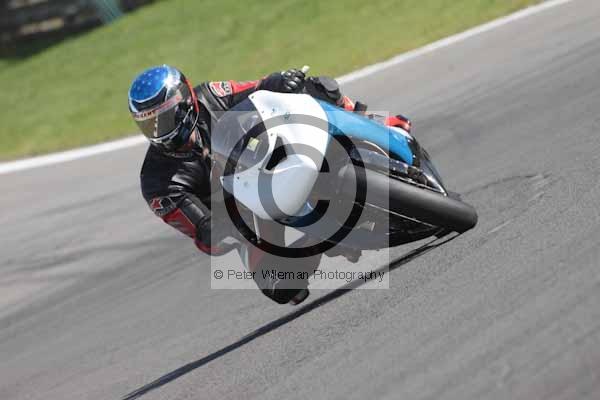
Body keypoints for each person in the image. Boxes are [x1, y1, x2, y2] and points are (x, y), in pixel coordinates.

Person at [129, 65, 411, 305]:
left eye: (164, 118)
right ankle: (326, 239)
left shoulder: (211, 95)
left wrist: (281, 80)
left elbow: (259, 87)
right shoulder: (157, 182)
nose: (159, 131)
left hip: (268, 154)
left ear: (185, 102)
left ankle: (377, 123)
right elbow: (202, 232)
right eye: (149, 124)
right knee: (281, 286)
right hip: (242, 213)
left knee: (316, 88)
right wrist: (215, 232)